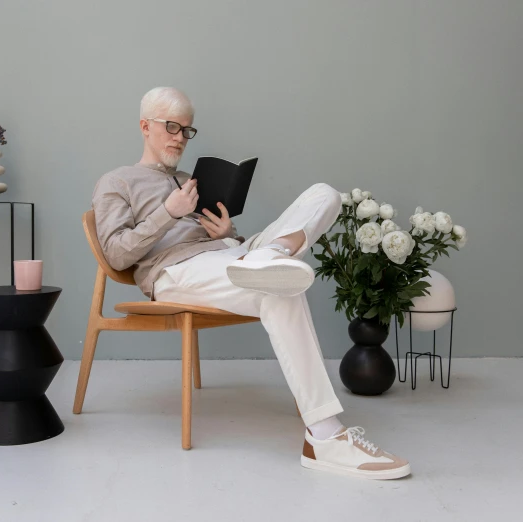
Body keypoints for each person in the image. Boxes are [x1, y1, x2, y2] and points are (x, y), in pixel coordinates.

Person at [91, 86, 411, 480]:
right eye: (171, 126)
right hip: (174, 272)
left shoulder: (189, 180)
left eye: (187, 130)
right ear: (145, 125)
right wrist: (167, 213)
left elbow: (221, 240)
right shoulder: (116, 182)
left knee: (324, 196)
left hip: (226, 255)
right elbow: (117, 256)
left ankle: (270, 252)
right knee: (279, 288)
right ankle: (326, 436)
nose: (179, 137)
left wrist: (228, 234)